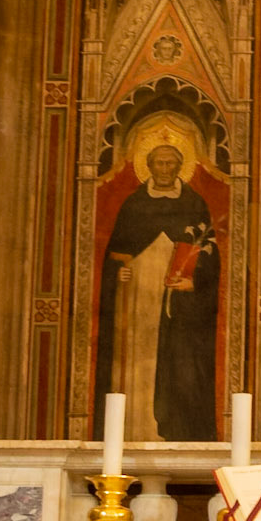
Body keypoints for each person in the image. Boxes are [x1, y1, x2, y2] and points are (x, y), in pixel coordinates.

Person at [95, 137, 219, 440]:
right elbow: (115, 255)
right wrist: (118, 273)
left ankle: (179, 432)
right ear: (148, 167)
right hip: (138, 306)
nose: (164, 169)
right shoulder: (134, 204)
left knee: (181, 369)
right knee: (139, 369)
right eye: (159, 163)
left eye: (170, 163)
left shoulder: (193, 203)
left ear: (180, 167)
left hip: (178, 308)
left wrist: (194, 282)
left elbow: (209, 256)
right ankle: (135, 432)